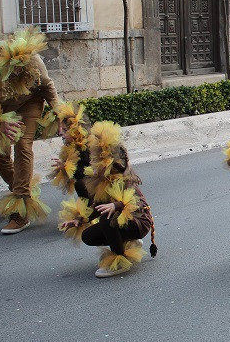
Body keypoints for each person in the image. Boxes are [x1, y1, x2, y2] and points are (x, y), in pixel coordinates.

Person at [0, 28, 59, 234]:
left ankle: (20, 212)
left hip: (30, 102)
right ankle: (23, 195)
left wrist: (59, 112)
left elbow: (48, 87)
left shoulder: (32, 59)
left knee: (23, 146)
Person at [56, 116, 157, 277]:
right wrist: (80, 220)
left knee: (108, 217)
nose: (92, 164)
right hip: (122, 221)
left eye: (96, 161)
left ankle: (120, 258)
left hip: (139, 222)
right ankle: (126, 241)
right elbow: (97, 206)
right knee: (88, 236)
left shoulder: (124, 180)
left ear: (108, 164)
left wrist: (115, 206)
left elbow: (135, 204)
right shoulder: (103, 182)